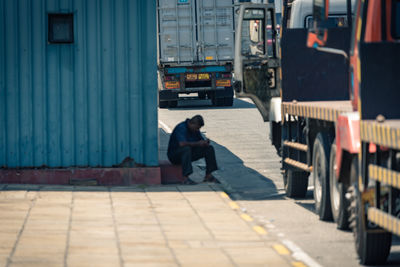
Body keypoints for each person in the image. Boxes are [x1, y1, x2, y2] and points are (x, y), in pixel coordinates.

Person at [167, 115, 219, 185]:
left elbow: (200, 141)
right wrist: (198, 143)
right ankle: (185, 178)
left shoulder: (195, 130)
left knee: (209, 149)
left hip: (189, 153)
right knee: (186, 149)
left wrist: (204, 143)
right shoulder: (181, 128)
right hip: (175, 155)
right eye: (197, 128)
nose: (198, 130)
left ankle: (208, 175)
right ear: (191, 124)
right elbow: (182, 144)